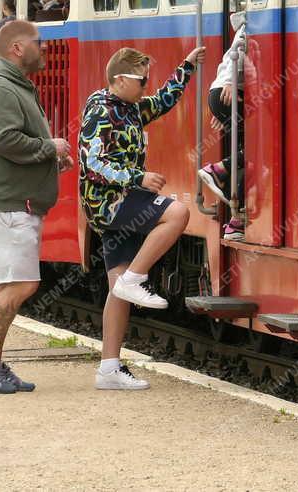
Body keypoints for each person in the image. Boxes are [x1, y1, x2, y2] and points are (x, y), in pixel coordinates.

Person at [79, 44, 206, 390]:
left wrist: (187, 67)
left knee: (115, 287)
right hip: (110, 202)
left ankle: (109, 369)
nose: (147, 86)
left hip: (121, 201)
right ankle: (136, 277)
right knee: (177, 212)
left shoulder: (131, 108)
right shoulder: (102, 110)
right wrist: (139, 179)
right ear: (119, 80)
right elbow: (92, 163)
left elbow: (164, 100)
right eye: (141, 81)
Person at [0, 20, 72, 394]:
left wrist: (49, 158)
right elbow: (3, 139)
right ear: (17, 48)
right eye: (38, 43)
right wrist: (48, 148)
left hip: (11, 199)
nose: (44, 49)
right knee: (18, 283)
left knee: (11, 283)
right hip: (5, 201)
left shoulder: (10, 85)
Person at [199, 11, 252, 238]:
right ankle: (218, 170)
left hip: (222, 94)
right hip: (229, 92)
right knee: (262, 151)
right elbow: (239, 49)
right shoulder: (252, 22)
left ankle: (235, 223)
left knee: (249, 153)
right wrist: (231, 81)